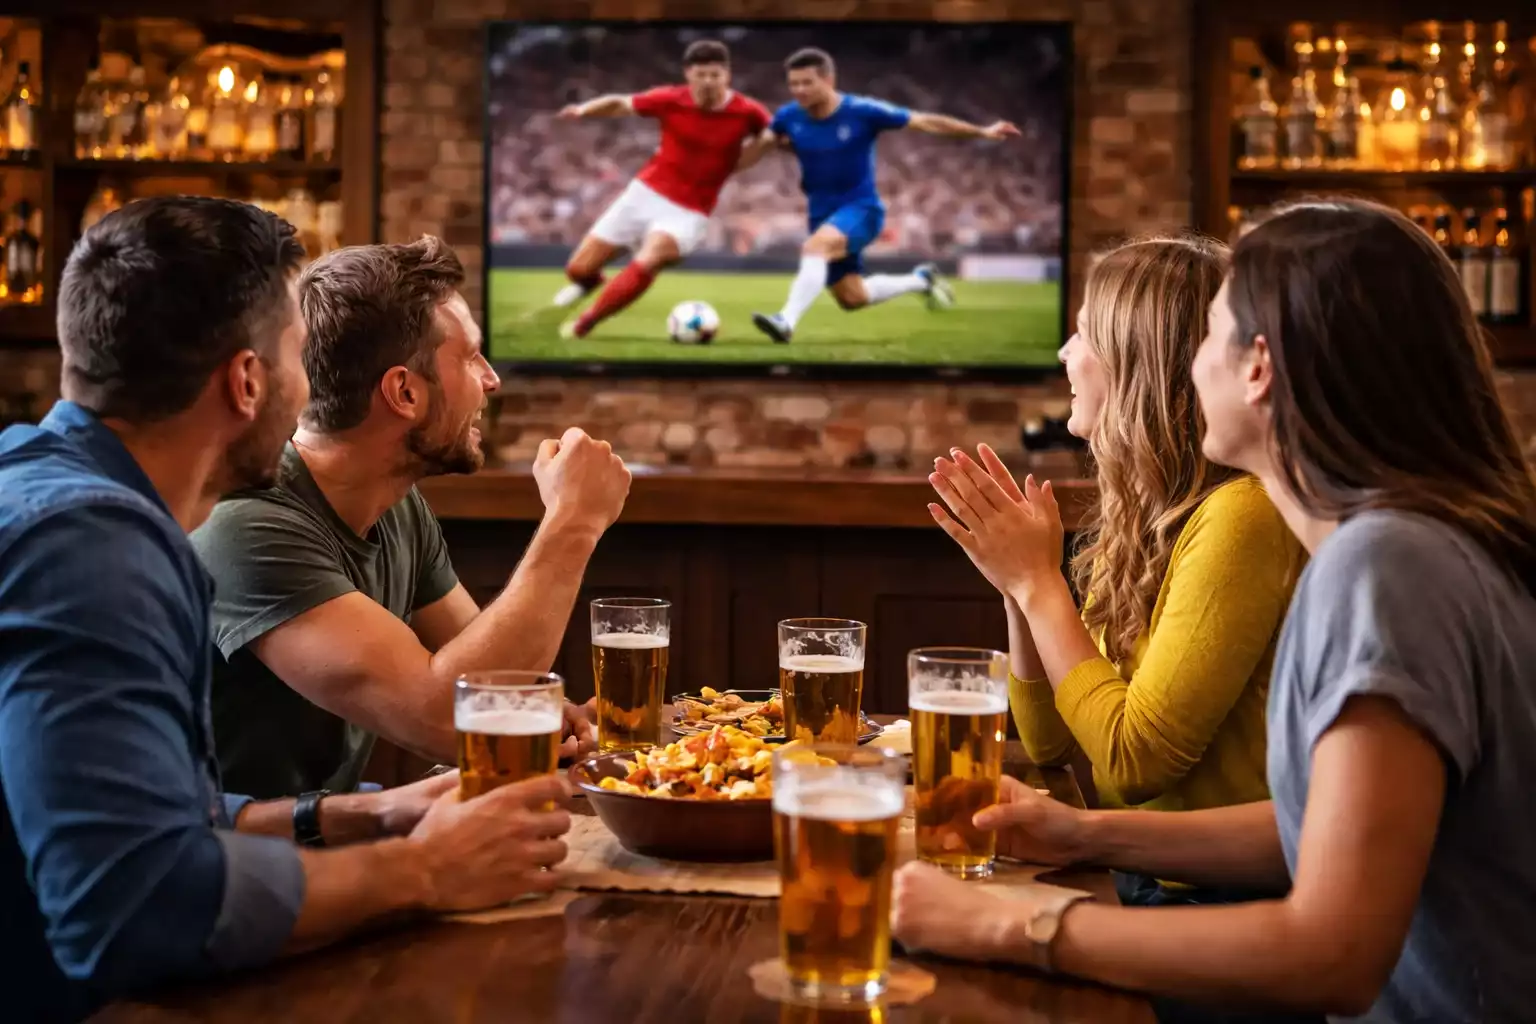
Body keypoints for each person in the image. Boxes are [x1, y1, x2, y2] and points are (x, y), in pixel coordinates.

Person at [891, 198, 1536, 1022]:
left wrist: (1018, 924)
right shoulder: (1399, 550)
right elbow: (1314, 832)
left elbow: (1331, 953)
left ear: (1257, 366)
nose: (1187, 368)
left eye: (1209, 334)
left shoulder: (1387, 566)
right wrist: (1085, 837)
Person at [0, 197, 574, 1024]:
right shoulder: (93, 550)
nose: (314, 397)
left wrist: (370, 813)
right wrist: (422, 870)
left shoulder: (66, 499)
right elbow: (134, 906)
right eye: (300, 359)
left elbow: (163, 818)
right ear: (246, 381)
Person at [928, 237, 1304, 912]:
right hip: (1136, 873)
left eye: (1083, 334)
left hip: (1218, 903)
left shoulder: (1244, 515)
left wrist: (1041, 584)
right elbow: (1048, 740)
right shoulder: (1145, 514)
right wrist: (1015, 584)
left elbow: (1134, 762)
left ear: (1140, 364)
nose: (1065, 354)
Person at [189, 235, 631, 799]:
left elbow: (496, 685)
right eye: (471, 357)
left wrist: (556, 720)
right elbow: (454, 722)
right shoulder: (247, 523)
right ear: (404, 391)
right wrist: (574, 522)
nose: (492, 379)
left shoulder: (397, 505)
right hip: (234, 871)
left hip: (338, 844)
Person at [747, 47, 1021, 344]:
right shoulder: (788, 116)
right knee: (852, 298)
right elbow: (762, 145)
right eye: (794, 83)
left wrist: (982, 132)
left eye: (806, 82)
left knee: (815, 248)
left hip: (861, 209)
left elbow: (925, 121)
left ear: (828, 79)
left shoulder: (863, 111)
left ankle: (785, 321)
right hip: (820, 213)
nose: (798, 90)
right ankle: (920, 280)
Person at [539, 38, 770, 339]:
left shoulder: (748, 111)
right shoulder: (670, 99)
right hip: (643, 196)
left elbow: (776, 136)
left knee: (651, 256)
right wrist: (583, 110)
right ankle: (590, 282)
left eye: (716, 75)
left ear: (727, 75)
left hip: (689, 212)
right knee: (578, 271)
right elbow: (622, 103)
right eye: (702, 75)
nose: (709, 82)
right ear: (688, 74)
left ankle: (585, 324)